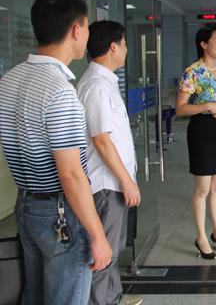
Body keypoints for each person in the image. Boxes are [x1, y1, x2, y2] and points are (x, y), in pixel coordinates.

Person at [0, 0, 112, 305]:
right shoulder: (60, 92)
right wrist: (98, 235)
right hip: (60, 214)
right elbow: (71, 175)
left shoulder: (8, 80)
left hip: (26, 206)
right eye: (87, 26)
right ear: (76, 30)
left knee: (34, 296)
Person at [76, 21, 143, 305]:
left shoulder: (105, 82)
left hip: (113, 182)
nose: (126, 49)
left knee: (111, 252)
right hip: (106, 185)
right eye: (125, 44)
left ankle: (112, 299)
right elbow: (101, 140)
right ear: (113, 46)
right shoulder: (96, 86)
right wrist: (127, 181)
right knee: (103, 256)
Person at [176, 26, 216, 260]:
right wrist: (208, 106)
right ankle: (201, 237)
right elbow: (180, 108)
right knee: (202, 189)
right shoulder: (192, 72)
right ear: (203, 44)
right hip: (202, 131)